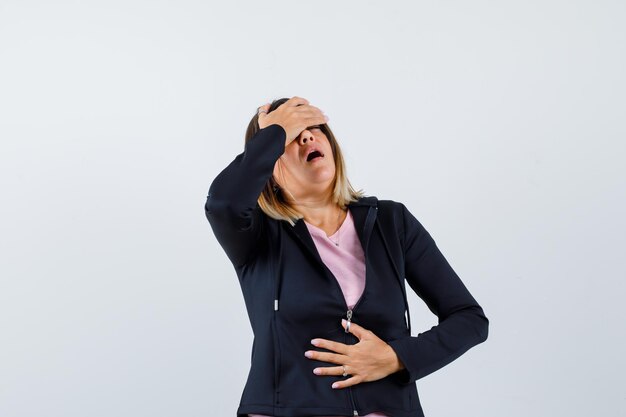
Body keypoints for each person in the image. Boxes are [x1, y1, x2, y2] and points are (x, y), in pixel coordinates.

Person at [204, 96, 489, 417]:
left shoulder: (391, 221)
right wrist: (271, 134)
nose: (307, 137)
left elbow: (469, 320)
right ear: (267, 166)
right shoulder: (256, 235)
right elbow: (223, 204)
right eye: (290, 135)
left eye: (313, 128)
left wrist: (397, 357)